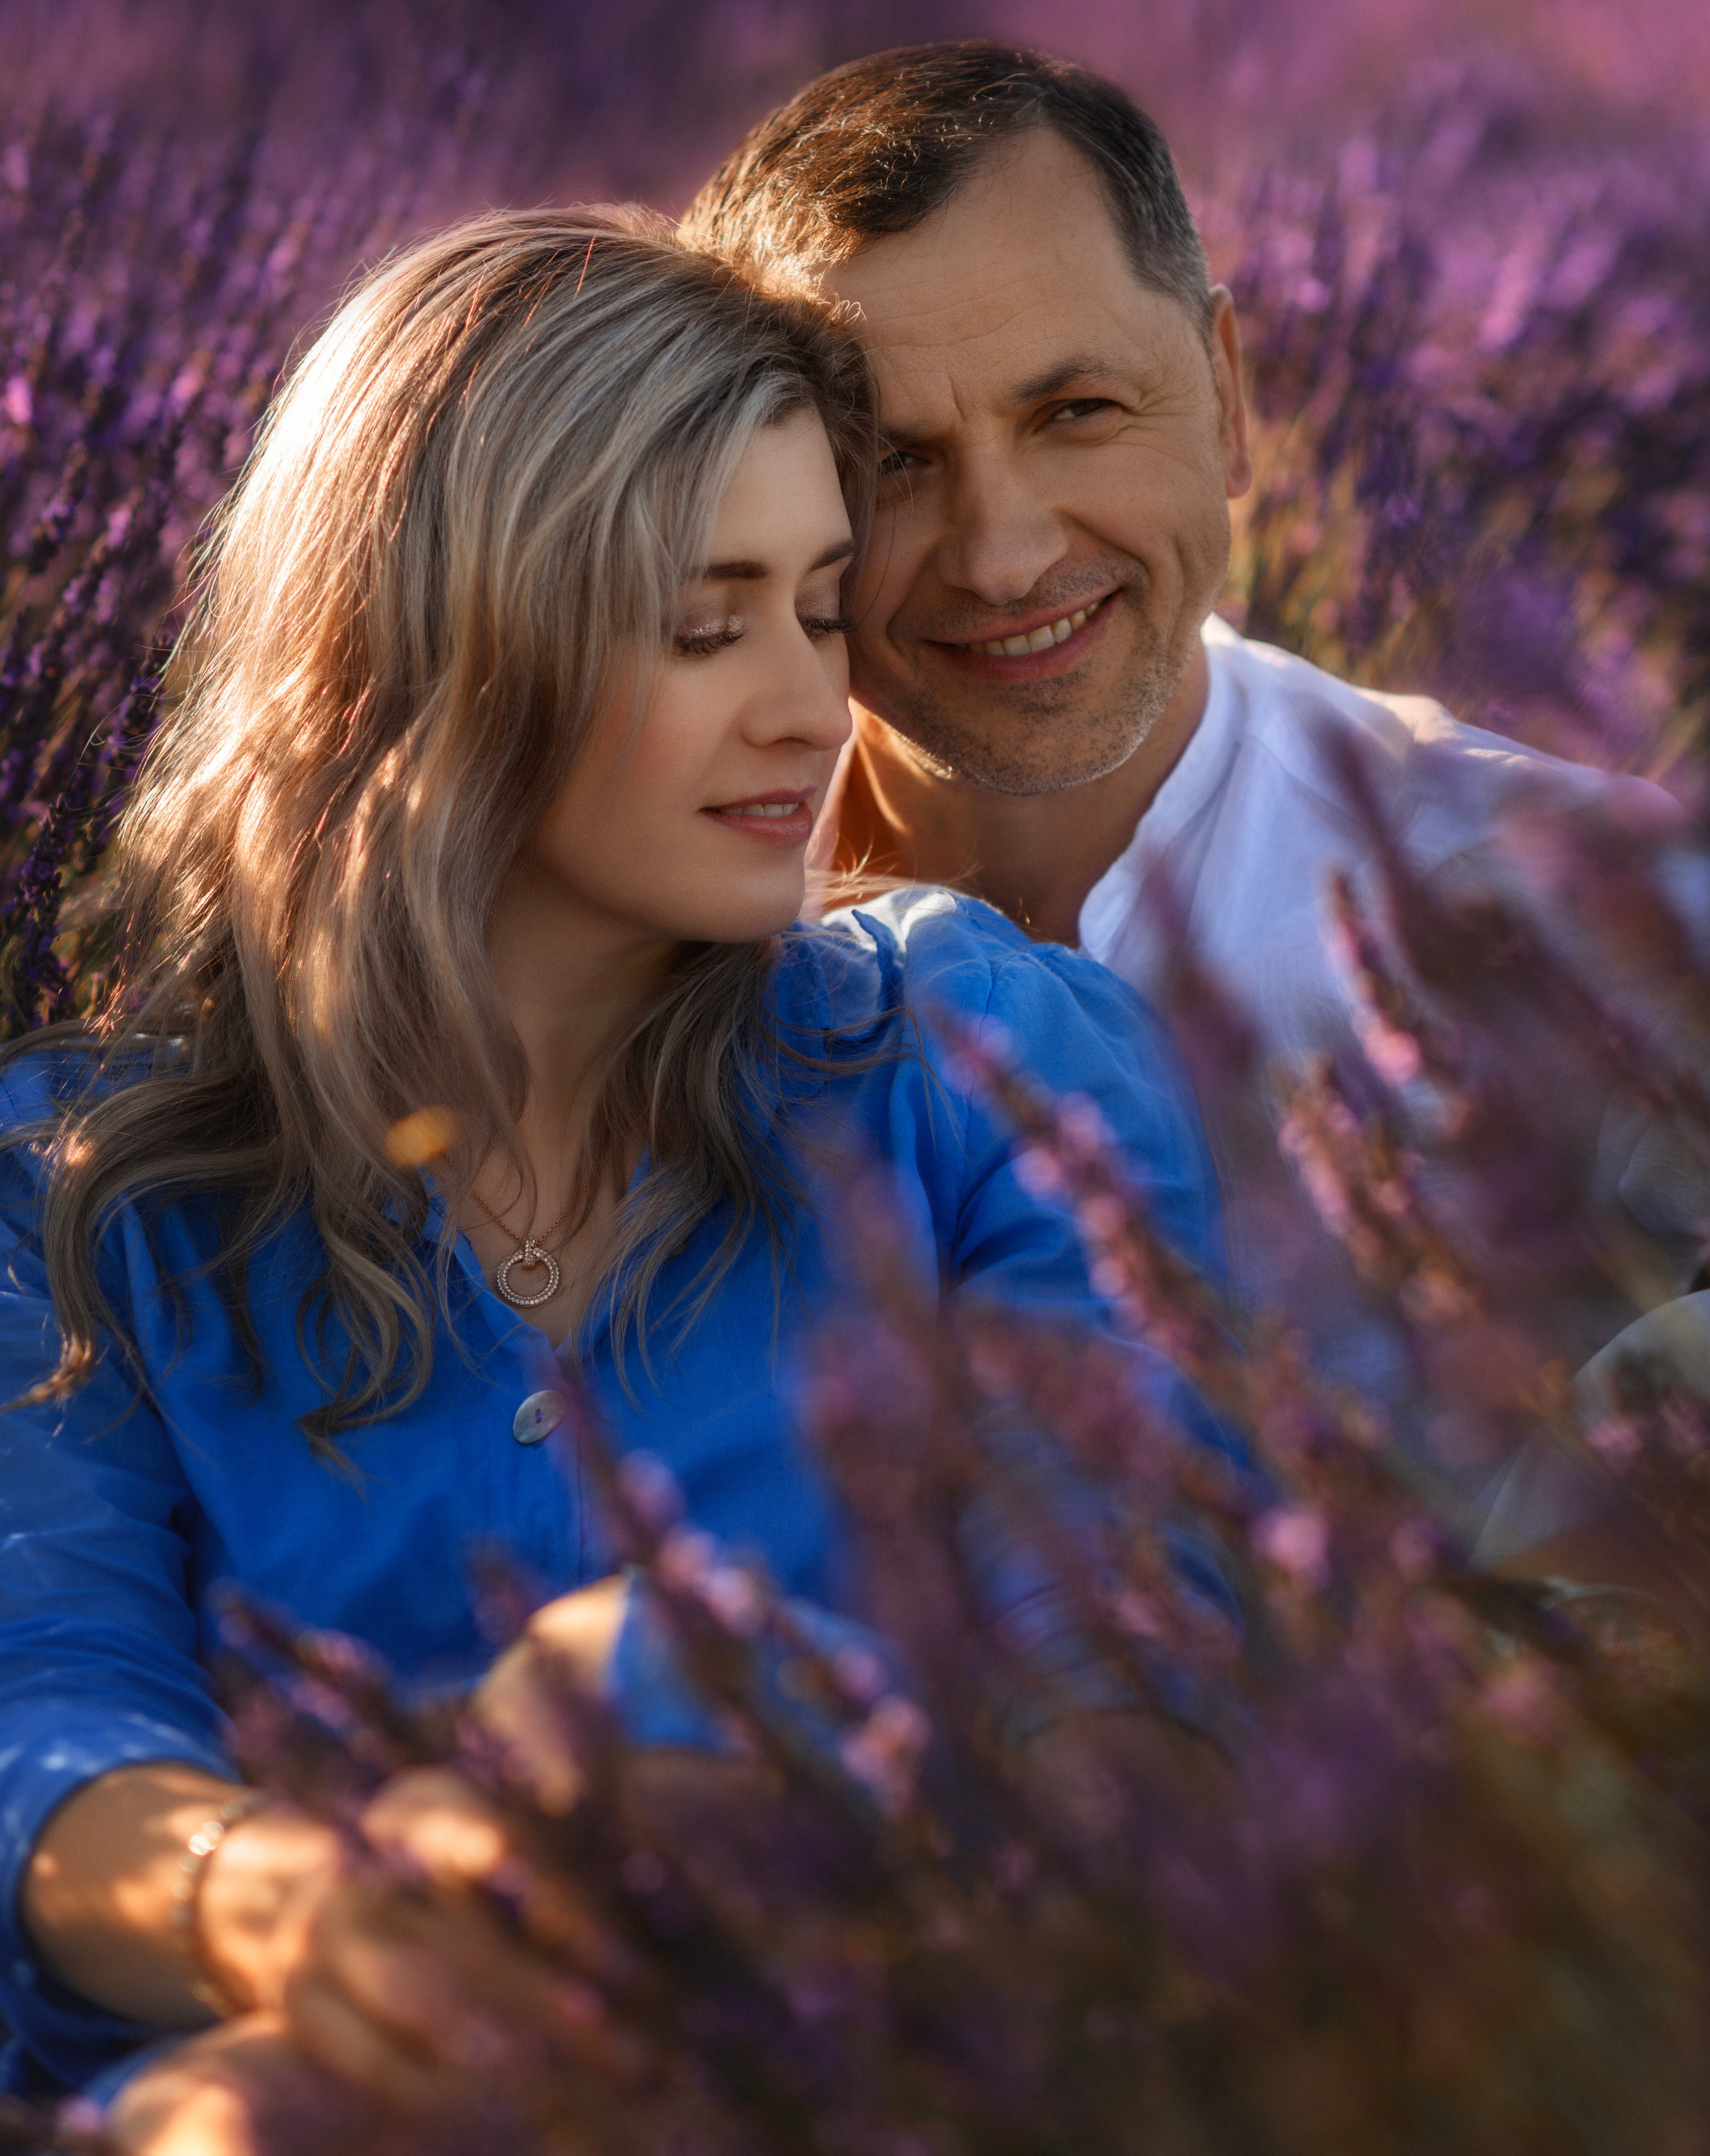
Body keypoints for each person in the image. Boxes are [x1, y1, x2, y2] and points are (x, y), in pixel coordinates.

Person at [0, 209, 1224, 2145]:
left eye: (818, 606)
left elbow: (1118, 1661)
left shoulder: (972, 1064)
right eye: (702, 623)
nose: (809, 706)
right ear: (430, 653)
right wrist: (317, 1920)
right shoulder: (78, 1193)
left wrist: (677, 1776)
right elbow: (45, 1725)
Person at [683, 41, 1708, 1437]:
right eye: (892, 463)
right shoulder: (644, 916)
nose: (1002, 556)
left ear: (1226, 398)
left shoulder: (1539, 895)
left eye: (1077, 414)